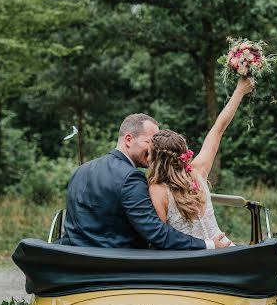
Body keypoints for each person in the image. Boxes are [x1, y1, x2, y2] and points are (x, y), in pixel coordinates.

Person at [61, 114, 226, 250]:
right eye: (149, 142)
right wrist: (208, 244)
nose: (152, 149)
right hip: (114, 264)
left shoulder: (81, 170)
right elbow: (156, 233)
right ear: (128, 139)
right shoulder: (131, 177)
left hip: (76, 259)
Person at [148, 77, 254, 244]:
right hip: (226, 249)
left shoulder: (157, 190)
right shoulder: (198, 172)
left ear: (156, 160)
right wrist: (240, 91)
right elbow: (218, 128)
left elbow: (160, 239)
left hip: (195, 258)